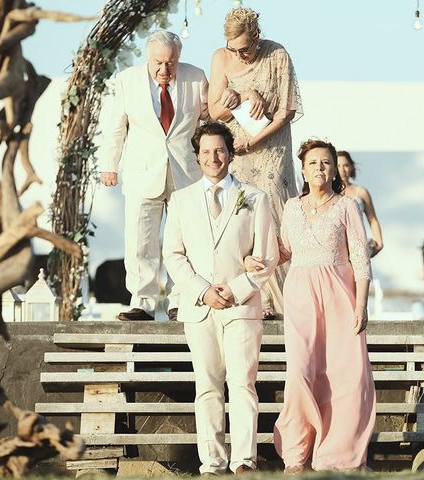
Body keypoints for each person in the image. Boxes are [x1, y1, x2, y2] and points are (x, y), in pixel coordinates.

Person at [163, 122, 279, 475]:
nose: (214, 158)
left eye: (219, 150)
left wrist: (237, 287)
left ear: (229, 153)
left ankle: (244, 459)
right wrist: (202, 289)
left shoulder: (255, 197)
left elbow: (267, 257)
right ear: (197, 157)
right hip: (199, 309)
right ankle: (212, 462)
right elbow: (173, 255)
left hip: (242, 307)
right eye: (206, 152)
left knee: (243, 383)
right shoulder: (180, 200)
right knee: (207, 386)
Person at [271, 139, 376, 472]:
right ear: (302, 169)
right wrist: (254, 256)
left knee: (342, 377)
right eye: (313, 162)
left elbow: (361, 259)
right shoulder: (291, 207)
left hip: (340, 298)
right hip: (300, 295)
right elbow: (283, 250)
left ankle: (336, 454)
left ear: (335, 170)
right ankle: (296, 451)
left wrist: (361, 306)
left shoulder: (347, 207)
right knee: (300, 372)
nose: (319, 167)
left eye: (326, 162)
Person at [99, 30, 208, 321]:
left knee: (183, 241)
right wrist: (110, 165)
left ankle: (180, 301)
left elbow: (210, 122)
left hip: (186, 172)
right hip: (142, 172)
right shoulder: (127, 80)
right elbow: (116, 126)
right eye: (158, 62)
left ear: (178, 58)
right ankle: (142, 302)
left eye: (170, 63)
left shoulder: (196, 78)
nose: (164, 69)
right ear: (148, 58)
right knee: (140, 241)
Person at [208, 7, 301, 319]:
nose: (240, 55)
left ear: (257, 37)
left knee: (274, 218)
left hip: (271, 148)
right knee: (242, 220)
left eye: (245, 48)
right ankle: (248, 298)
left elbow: (286, 110)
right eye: (234, 48)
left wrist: (256, 141)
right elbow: (215, 113)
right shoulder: (221, 58)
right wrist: (242, 94)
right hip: (237, 152)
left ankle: (285, 303)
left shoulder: (278, 56)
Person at [337, 150, 384, 257]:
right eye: (338, 166)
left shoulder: (361, 192)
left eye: (346, 165)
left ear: (351, 167)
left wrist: (379, 242)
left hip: (358, 247)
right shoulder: (329, 193)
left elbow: (372, 219)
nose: (342, 170)